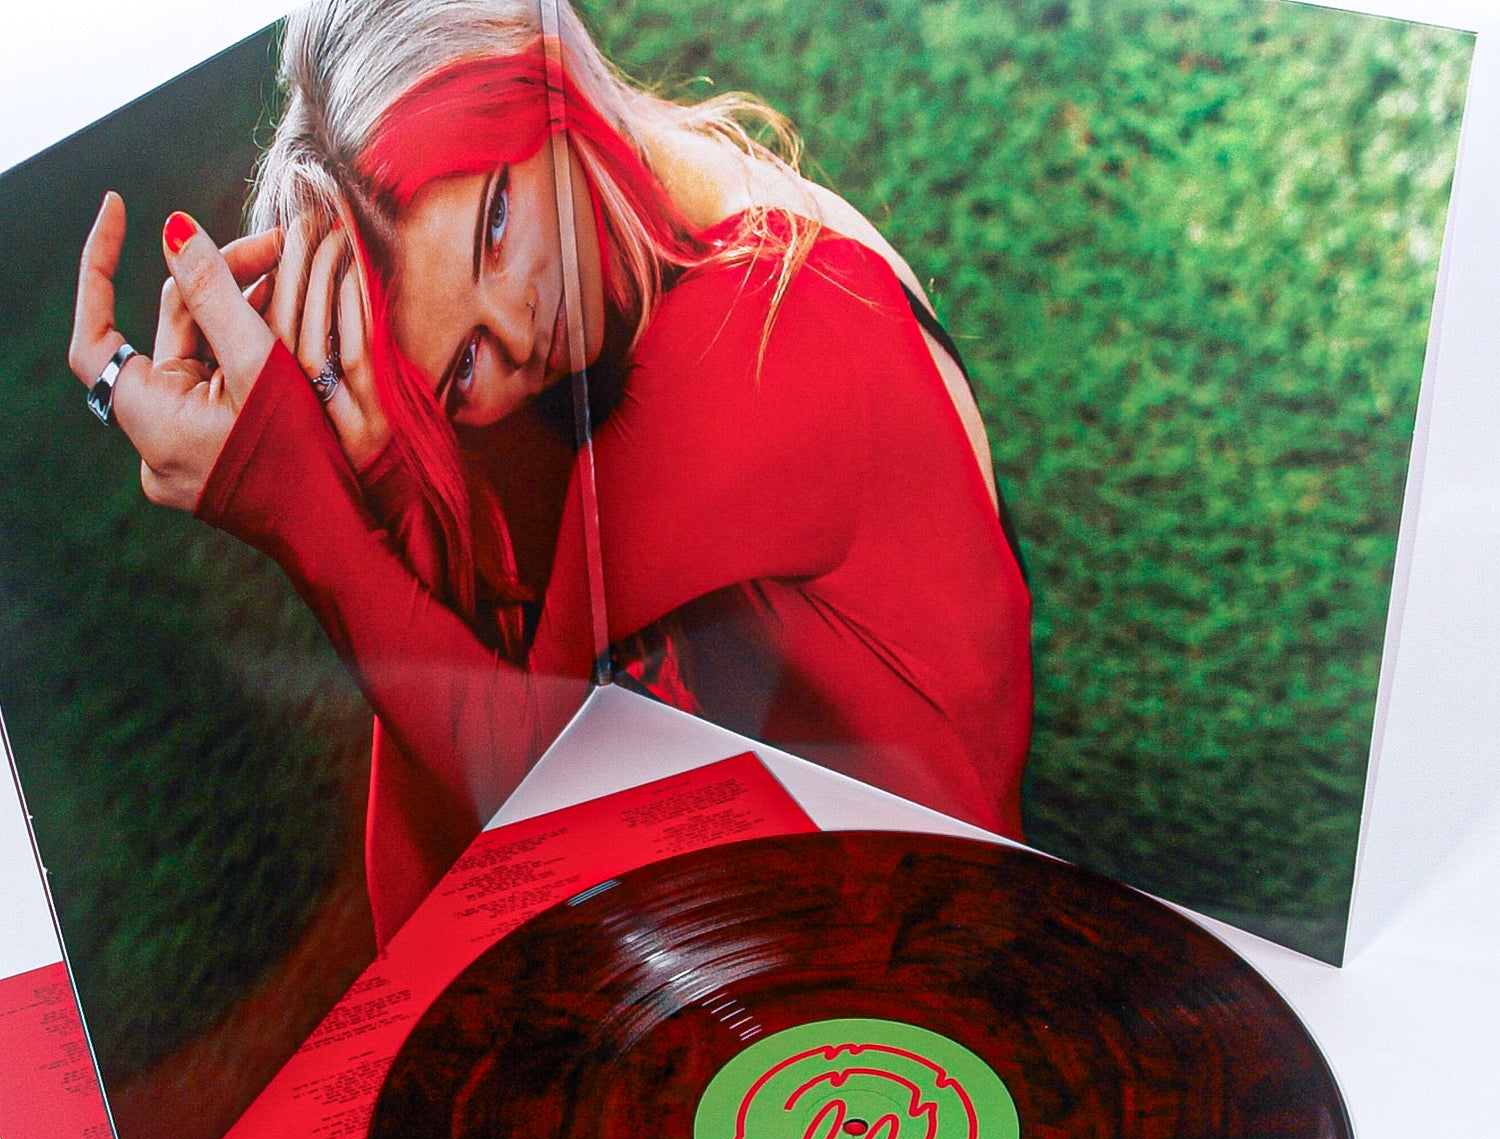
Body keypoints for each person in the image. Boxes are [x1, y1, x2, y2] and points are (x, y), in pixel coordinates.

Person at [68, 0, 1031, 946]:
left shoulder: (745, 338)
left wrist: (298, 502)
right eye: (459, 366)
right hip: (790, 871)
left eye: (494, 223)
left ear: (531, 88)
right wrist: (388, 479)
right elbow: (433, 893)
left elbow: (518, 807)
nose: (524, 331)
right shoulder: (635, 231)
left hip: (924, 922)